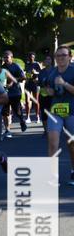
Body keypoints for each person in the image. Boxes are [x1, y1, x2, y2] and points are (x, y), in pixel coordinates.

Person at [45, 45, 74, 184]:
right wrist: (49, 91)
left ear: (70, 56)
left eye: (63, 55)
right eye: (58, 56)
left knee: (72, 144)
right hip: (55, 111)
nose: (60, 58)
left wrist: (65, 84)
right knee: (52, 143)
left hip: (72, 112)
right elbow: (48, 89)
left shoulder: (73, 71)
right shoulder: (52, 72)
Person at [1, 50, 27, 136]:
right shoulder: (2, 67)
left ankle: (22, 121)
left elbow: (23, 77)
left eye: (7, 57)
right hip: (4, 93)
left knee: (17, 111)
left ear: (11, 58)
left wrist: (13, 81)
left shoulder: (16, 66)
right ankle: (7, 130)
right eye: (4, 57)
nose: (5, 59)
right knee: (5, 112)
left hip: (15, 92)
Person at [38, 53, 55, 137]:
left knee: (53, 113)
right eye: (46, 59)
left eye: (49, 59)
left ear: (51, 61)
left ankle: (53, 130)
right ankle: (45, 131)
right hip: (43, 95)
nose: (47, 61)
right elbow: (39, 82)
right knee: (44, 113)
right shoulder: (41, 72)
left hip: (53, 95)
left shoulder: (55, 70)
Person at [24, 52, 41, 122]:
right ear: (28, 57)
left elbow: (41, 73)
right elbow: (27, 74)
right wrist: (27, 76)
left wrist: (35, 72)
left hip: (35, 84)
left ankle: (37, 116)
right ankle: (28, 117)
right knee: (27, 101)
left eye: (33, 57)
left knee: (36, 101)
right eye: (30, 57)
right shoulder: (27, 64)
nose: (31, 58)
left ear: (34, 57)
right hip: (28, 84)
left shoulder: (37, 64)